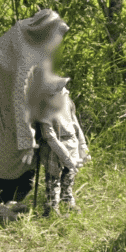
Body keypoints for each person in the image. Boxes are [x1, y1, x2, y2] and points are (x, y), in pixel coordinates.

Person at [0, 9, 69, 219]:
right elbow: (21, 92)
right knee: (6, 155)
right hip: (7, 109)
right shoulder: (25, 50)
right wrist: (26, 135)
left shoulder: (26, 38)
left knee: (18, 158)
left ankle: (11, 201)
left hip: (14, 107)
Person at [37, 75, 89, 216]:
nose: (64, 90)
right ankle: (52, 209)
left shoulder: (67, 101)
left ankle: (67, 201)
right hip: (54, 148)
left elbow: (75, 123)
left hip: (71, 142)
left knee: (69, 176)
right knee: (53, 180)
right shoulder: (44, 107)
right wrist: (65, 157)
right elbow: (49, 136)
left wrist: (82, 145)